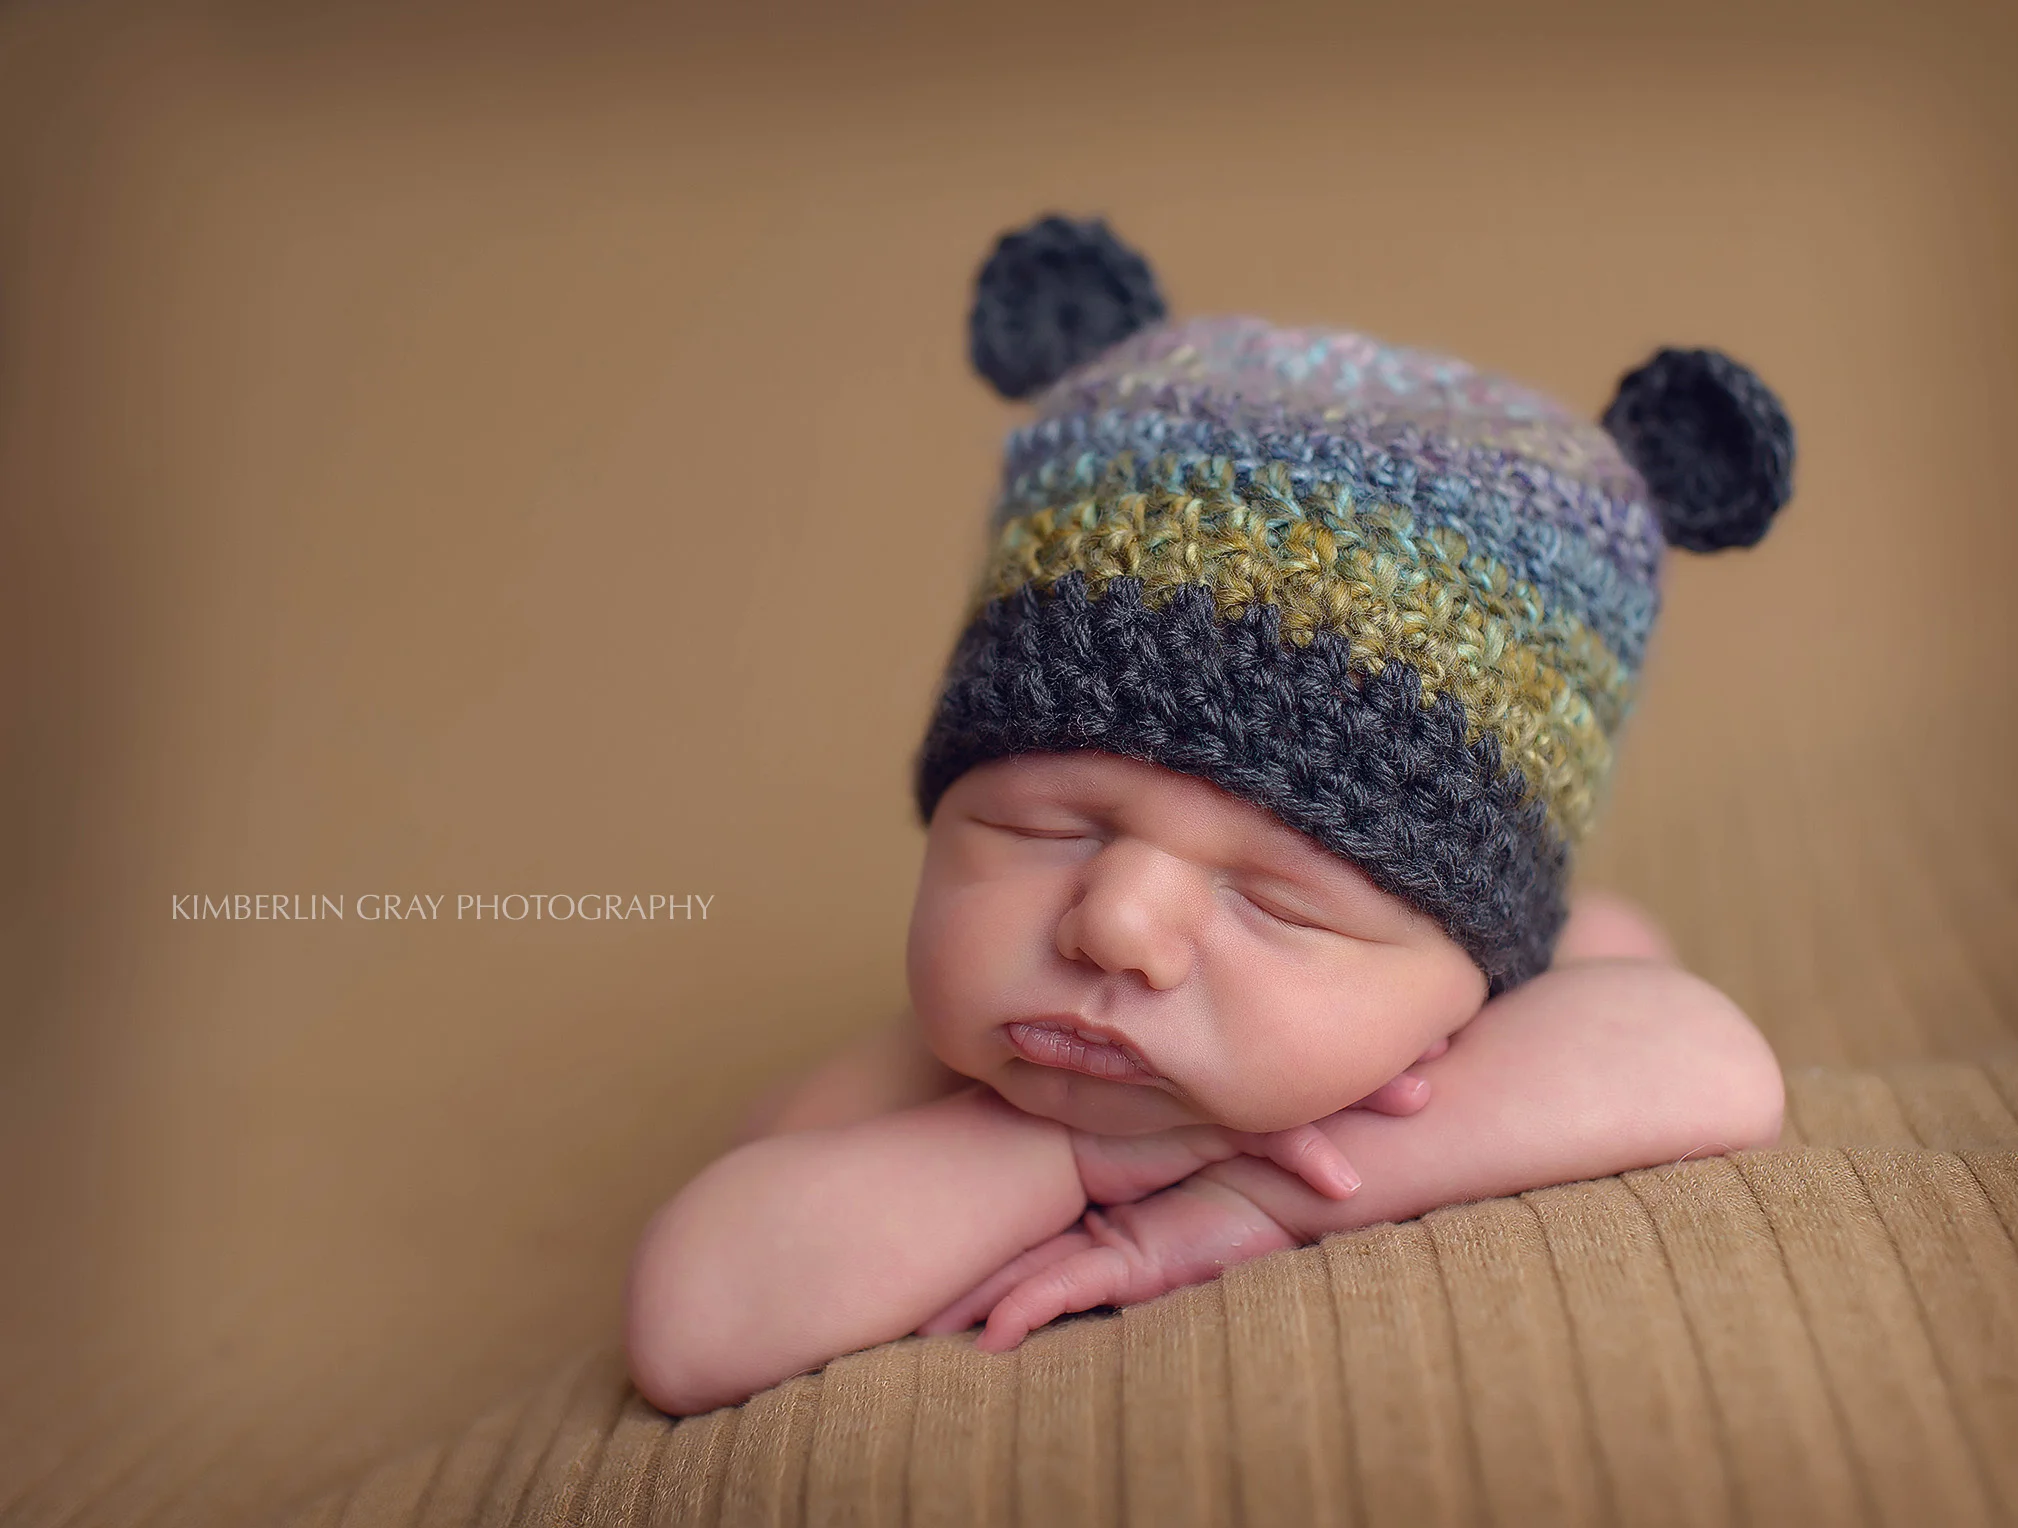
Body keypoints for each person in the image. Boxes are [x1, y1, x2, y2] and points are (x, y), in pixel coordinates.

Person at [624, 215, 1795, 1417]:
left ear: (1475, 968)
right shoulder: (904, 1085)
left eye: (1273, 897)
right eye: (1042, 829)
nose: (1116, 921)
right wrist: (1073, 1154)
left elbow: (1706, 1060)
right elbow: (691, 1322)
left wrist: (1250, 1193)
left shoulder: (1512, 999)